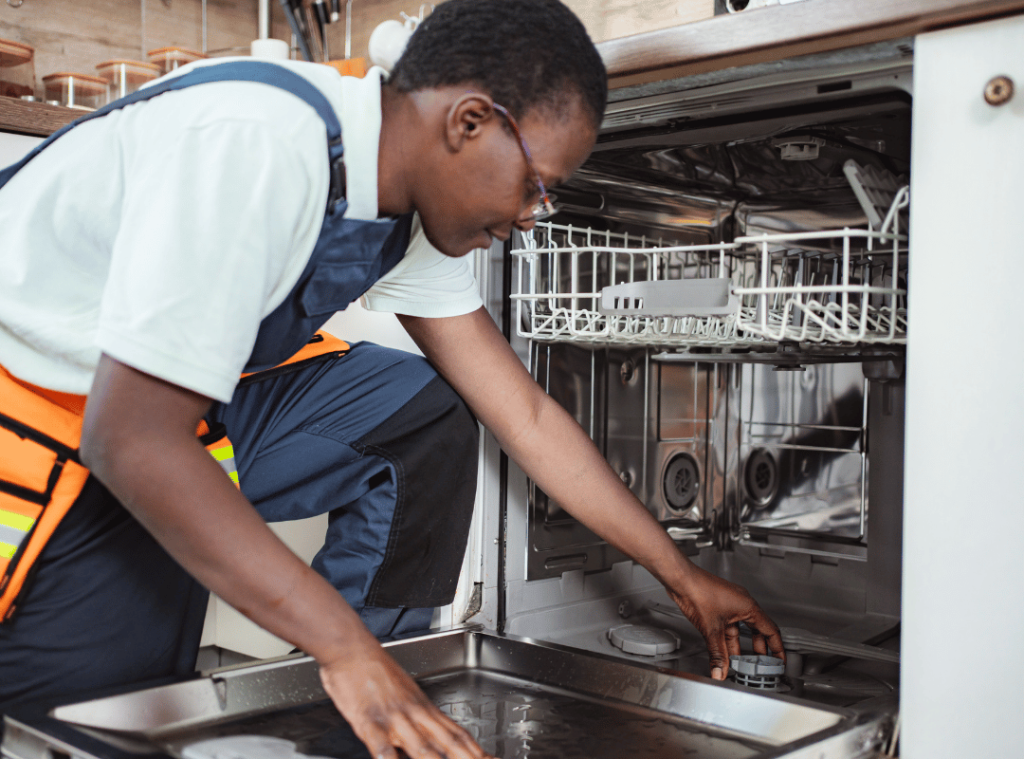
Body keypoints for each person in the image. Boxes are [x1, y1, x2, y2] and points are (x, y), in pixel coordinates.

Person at [0, 1, 784, 757]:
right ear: (468, 122)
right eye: (535, 185)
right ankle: (352, 664)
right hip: (48, 415)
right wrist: (342, 646)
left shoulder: (399, 191)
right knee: (94, 721)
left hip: (175, 404)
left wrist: (681, 575)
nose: (531, 216)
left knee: (422, 413)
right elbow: (133, 438)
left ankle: (363, 692)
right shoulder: (259, 145)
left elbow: (525, 415)